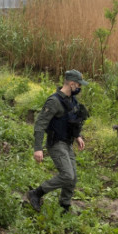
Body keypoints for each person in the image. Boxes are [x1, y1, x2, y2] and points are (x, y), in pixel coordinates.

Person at [26, 70, 90, 215]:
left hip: (67, 143)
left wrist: (77, 136)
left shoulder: (72, 101)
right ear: (72, 84)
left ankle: (64, 207)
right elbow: (40, 124)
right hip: (56, 143)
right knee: (67, 175)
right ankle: (36, 193)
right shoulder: (54, 101)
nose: (80, 88)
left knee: (72, 178)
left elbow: (72, 121)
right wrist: (38, 148)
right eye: (79, 85)